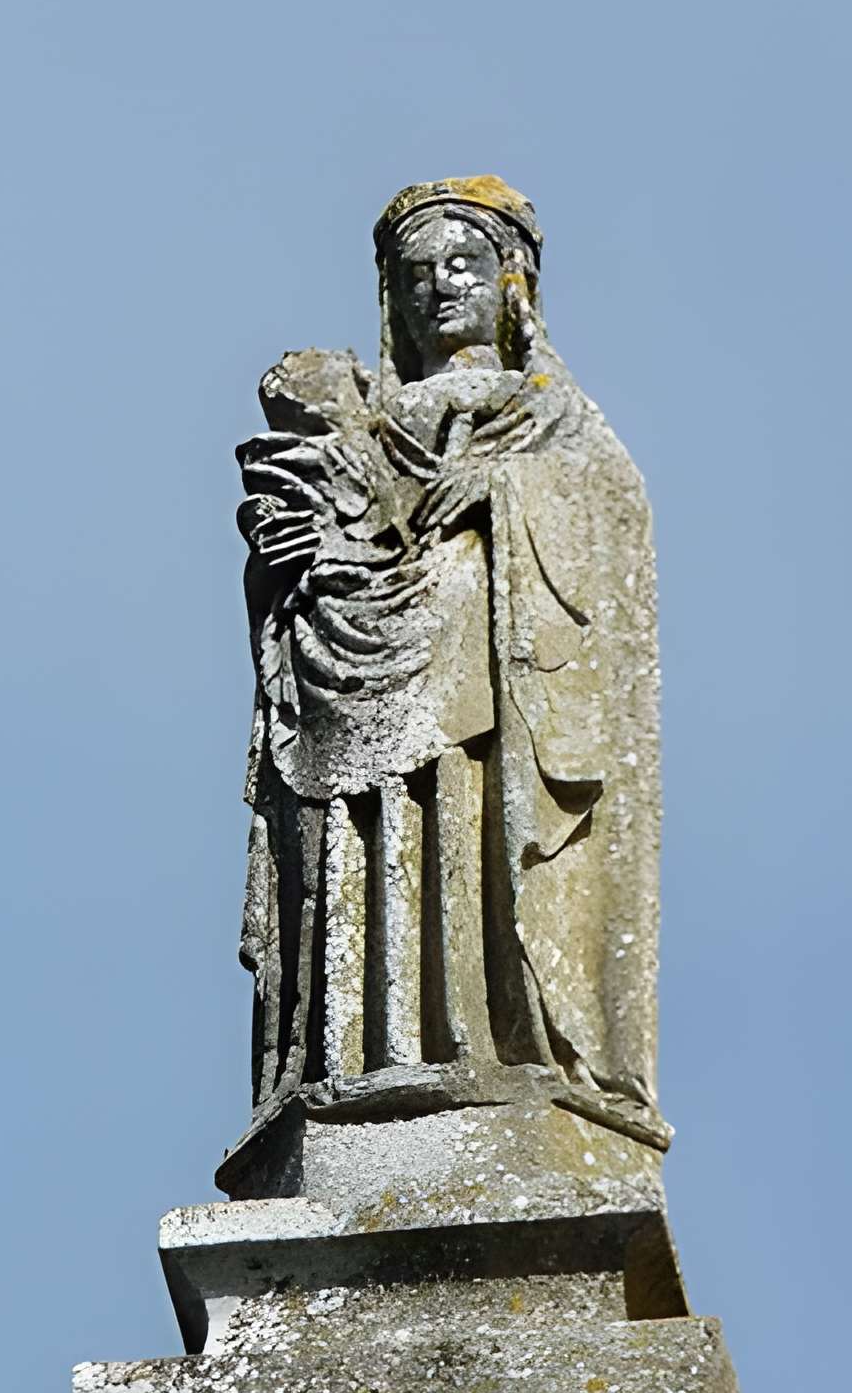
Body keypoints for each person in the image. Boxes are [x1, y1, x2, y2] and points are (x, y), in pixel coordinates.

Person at [231, 177, 665, 1159]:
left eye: (462, 263)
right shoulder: (361, 416)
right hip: (364, 683)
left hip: (487, 684)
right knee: (361, 848)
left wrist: (497, 497)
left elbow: (608, 528)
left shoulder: (546, 417)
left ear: (510, 284)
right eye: (414, 272)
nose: (439, 286)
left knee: (472, 835)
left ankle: (491, 1036)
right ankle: (355, 1052)